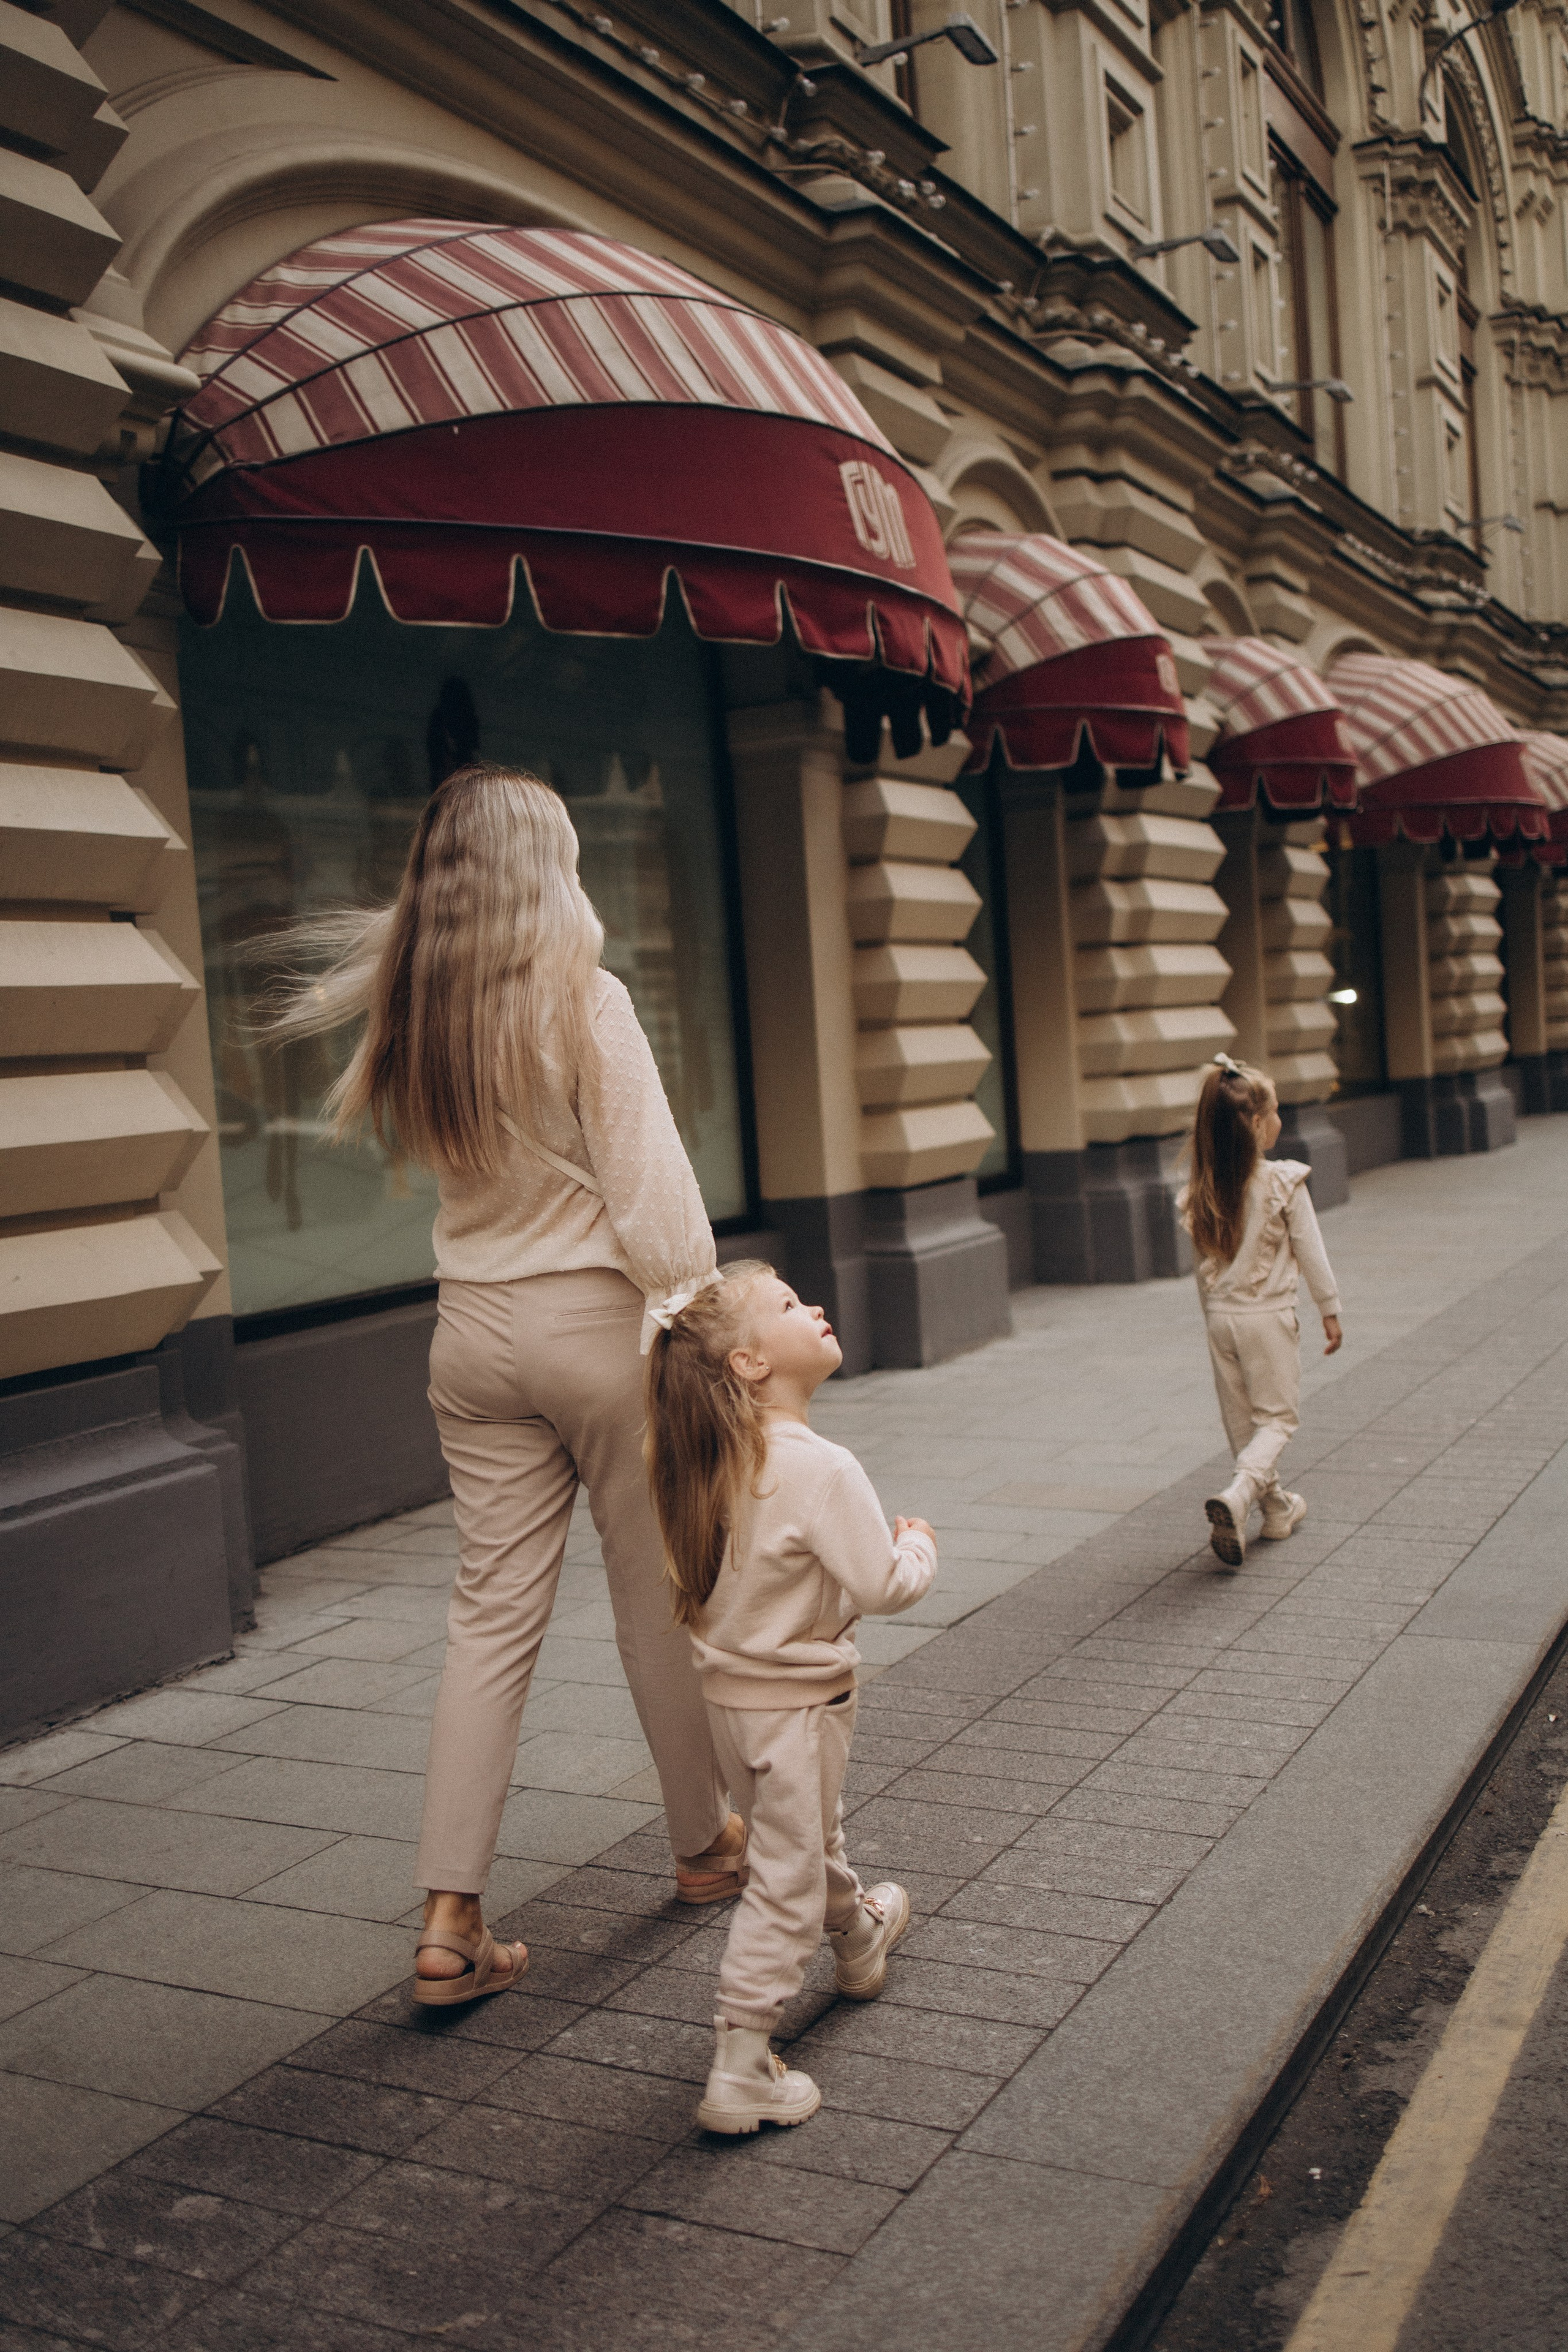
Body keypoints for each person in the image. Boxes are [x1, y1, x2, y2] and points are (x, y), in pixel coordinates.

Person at [258, 763, 744, 2007]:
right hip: (596, 1330)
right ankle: (703, 1847)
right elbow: (654, 1200)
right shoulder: (586, 998)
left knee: (487, 1619)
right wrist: (703, 1319)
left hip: (470, 1337)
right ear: (547, 870)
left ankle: (449, 1916)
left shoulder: (416, 1012)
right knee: (655, 1597)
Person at [643, 1261, 938, 2132]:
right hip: (802, 1710)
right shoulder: (822, 1468)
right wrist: (917, 1545)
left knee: (800, 1832)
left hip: (732, 1708)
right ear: (750, 1363)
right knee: (784, 1879)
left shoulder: (709, 1461)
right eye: (786, 1304)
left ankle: (858, 1938)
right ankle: (741, 2062)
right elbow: (883, 1586)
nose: (813, 1305)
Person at [1182, 1055, 1343, 1569]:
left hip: (1220, 1318)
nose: (1280, 1120)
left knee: (1241, 1422)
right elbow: (1311, 1252)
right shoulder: (1283, 1183)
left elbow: (1200, 1269)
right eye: (1275, 1111)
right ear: (1254, 1124)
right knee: (1276, 1419)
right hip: (1267, 1317)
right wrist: (1330, 1310)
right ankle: (1240, 1496)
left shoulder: (1202, 1190)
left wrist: (1211, 1318)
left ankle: (1276, 1510)